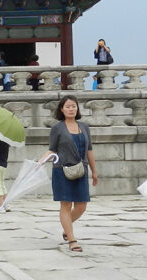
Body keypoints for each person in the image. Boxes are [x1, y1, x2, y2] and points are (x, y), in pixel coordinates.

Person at [42, 96, 98, 252]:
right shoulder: (57, 128)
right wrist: (40, 161)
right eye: (68, 107)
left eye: (74, 106)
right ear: (62, 109)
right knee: (65, 204)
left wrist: (94, 171)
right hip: (62, 170)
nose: (71, 109)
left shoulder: (84, 127)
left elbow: (89, 150)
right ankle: (72, 239)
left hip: (81, 170)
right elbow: (52, 149)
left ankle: (67, 228)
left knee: (81, 205)